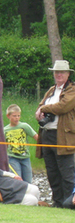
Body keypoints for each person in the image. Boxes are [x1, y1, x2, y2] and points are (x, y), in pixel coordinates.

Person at [35, 60, 75, 208]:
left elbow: (63, 106)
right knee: (52, 171)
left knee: (66, 171)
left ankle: (69, 203)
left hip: (64, 136)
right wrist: (39, 112)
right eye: (56, 72)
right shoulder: (52, 90)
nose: (58, 75)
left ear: (68, 74)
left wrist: (44, 108)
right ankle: (57, 202)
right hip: (47, 134)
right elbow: (41, 105)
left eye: (62, 72)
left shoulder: (72, 90)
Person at [4, 104, 37, 183]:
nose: (17, 118)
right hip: (12, 158)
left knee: (28, 181)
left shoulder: (24, 126)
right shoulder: (5, 130)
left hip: (25, 157)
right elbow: (4, 146)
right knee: (17, 180)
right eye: (14, 116)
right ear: (8, 116)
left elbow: (36, 137)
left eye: (18, 116)